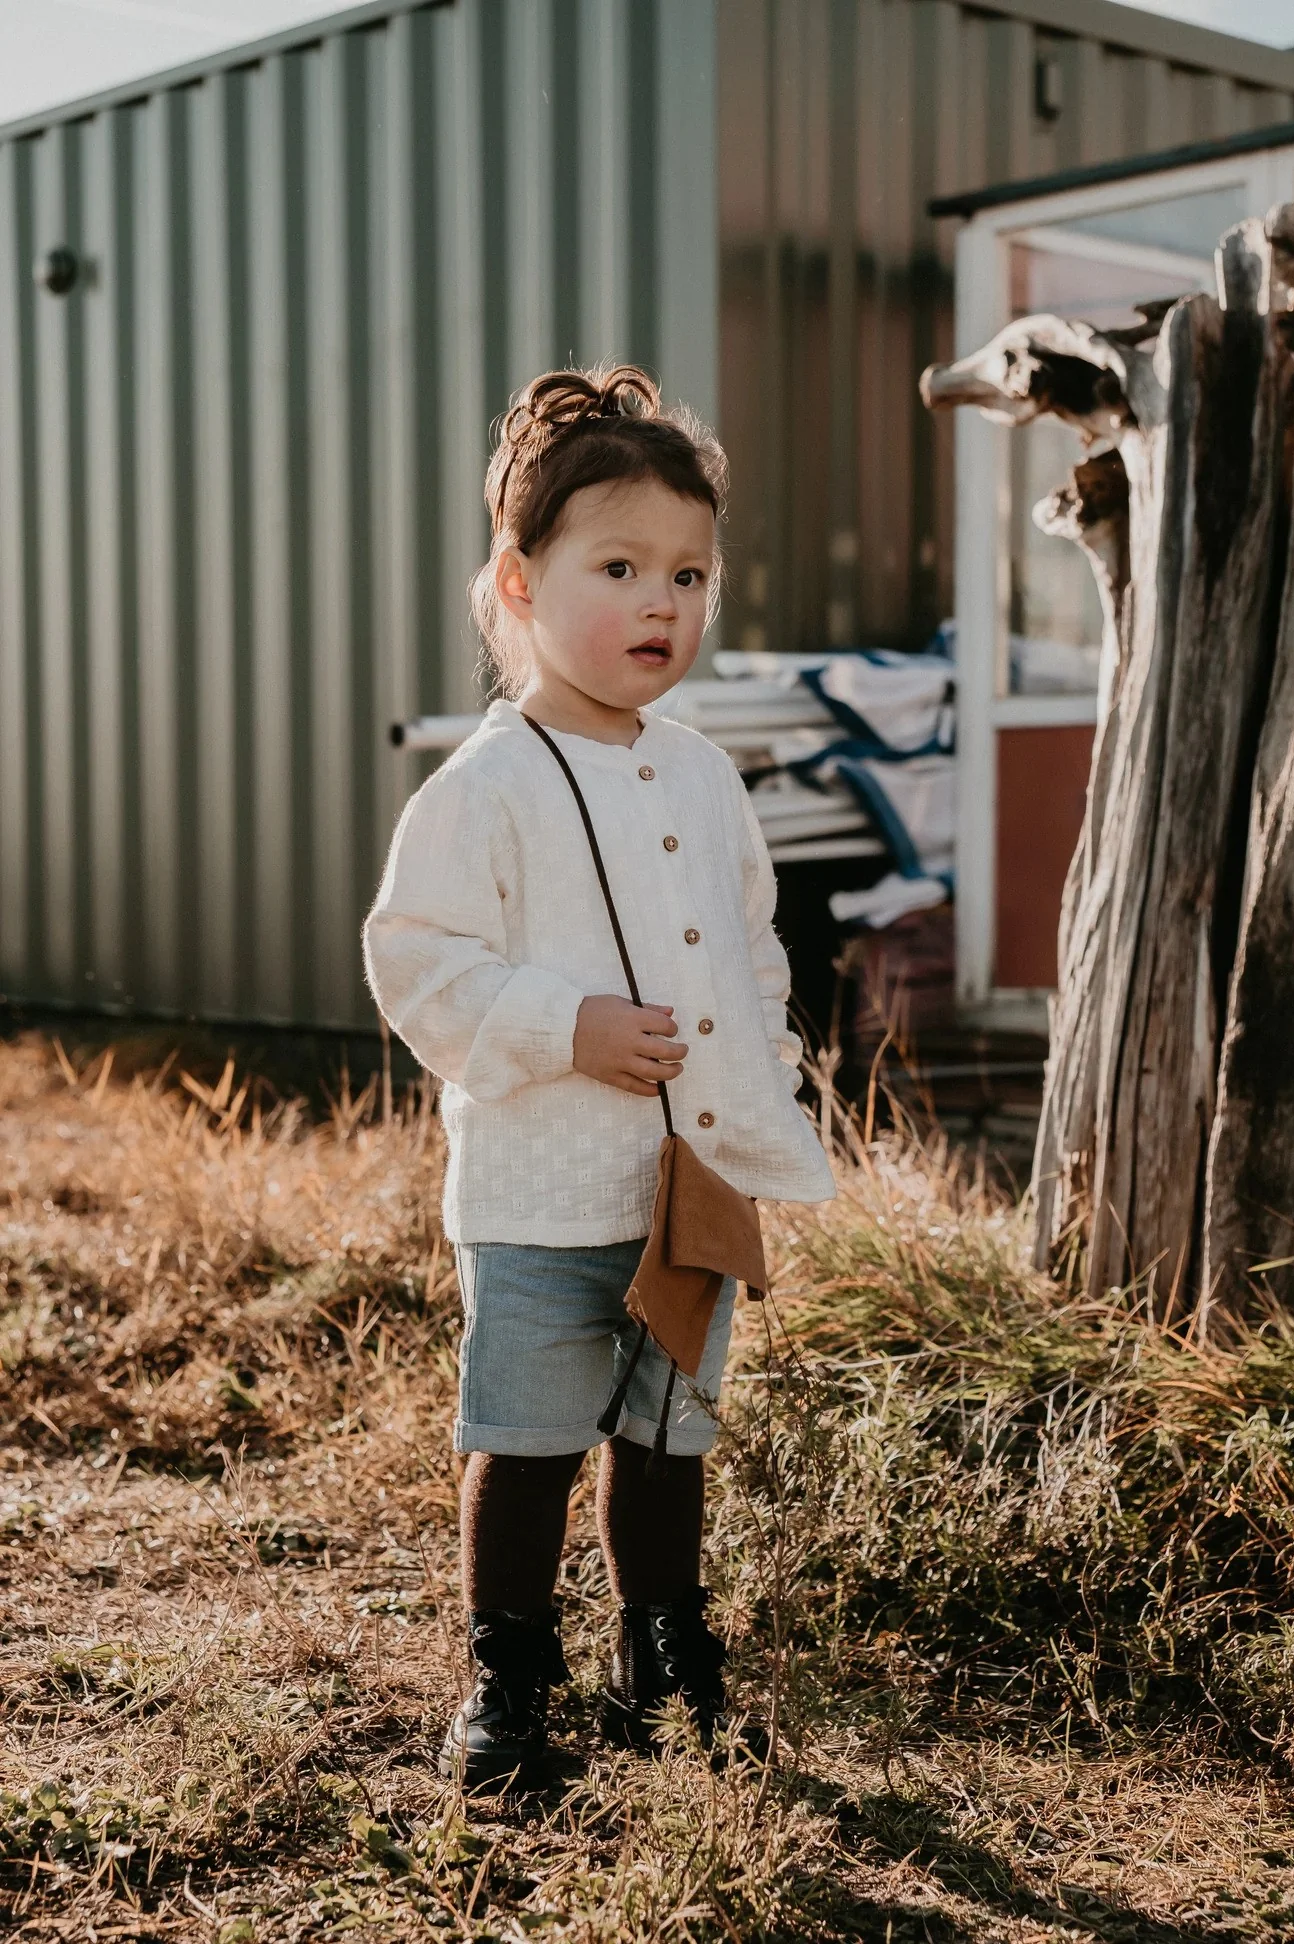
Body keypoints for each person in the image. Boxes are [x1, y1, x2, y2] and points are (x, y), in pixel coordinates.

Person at [363, 364, 836, 1789]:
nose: (661, 605)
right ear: (519, 578)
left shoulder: (700, 775)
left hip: (686, 1188)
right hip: (544, 1189)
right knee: (527, 1441)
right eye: (618, 566)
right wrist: (564, 1025)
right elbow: (416, 959)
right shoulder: (485, 788)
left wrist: (773, 1079)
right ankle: (507, 1675)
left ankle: (662, 1649)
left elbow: (753, 952)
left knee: (667, 1436)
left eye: (688, 573)